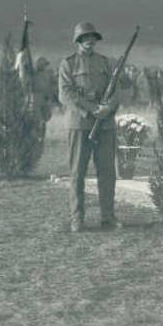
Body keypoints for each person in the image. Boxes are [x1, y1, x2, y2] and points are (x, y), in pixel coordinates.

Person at [58, 22, 122, 233]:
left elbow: (116, 90)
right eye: (85, 37)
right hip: (79, 124)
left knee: (107, 173)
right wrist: (91, 109)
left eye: (92, 37)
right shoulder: (68, 64)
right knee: (77, 173)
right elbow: (66, 94)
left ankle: (108, 218)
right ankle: (77, 219)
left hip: (105, 126)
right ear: (78, 40)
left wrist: (107, 109)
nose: (89, 41)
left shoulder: (106, 63)